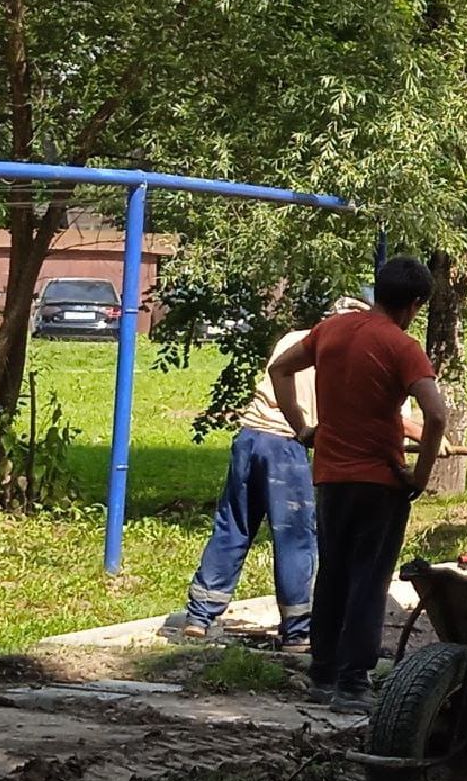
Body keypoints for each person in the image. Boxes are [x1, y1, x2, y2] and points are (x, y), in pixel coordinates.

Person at [271, 256, 447, 714]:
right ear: (414, 305)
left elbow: (280, 370)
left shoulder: (330, 330)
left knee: (333, 575)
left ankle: (323, 675)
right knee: (369, 581)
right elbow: (436, 413)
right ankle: (352, 685)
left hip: (331, 479)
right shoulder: (402, 346)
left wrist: (302, 427)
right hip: (380, 483)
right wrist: (421, 475)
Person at [181, 296, 370, 649]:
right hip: (286, 444)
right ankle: (297, 630)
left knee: (233, 526)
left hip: (249, 438)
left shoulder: (293, 339)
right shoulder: (346, 352)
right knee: (295, 537)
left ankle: (199, 616)